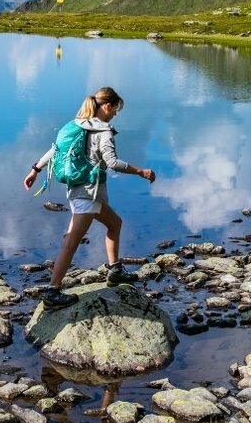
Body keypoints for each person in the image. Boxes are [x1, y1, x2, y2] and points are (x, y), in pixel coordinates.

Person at [24, 86, 155, 309]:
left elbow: (55, 150)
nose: (115, 114)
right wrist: (140, 171)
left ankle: (115, 271)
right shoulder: (102, 131)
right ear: (107, 106)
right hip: (87, 192)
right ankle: (52, 292)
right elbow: (112, 162)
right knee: (71, 242)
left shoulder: (76, 124)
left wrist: (35, 169)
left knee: (115, 224)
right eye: (115, 110)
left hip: (81, 190)